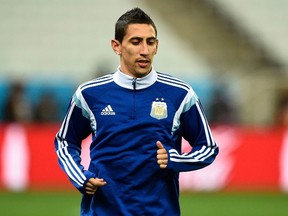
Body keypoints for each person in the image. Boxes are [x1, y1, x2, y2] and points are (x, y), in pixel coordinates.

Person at [54, 7, 219, 216]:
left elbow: (208, 147)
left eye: (150, 42)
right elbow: (65, 141)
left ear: (157, 46)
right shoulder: (89, 94)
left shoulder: (180, 94)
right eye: (136, 42)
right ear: (117, 46)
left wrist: (175, 159)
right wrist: (80, 177)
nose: (145, 50)